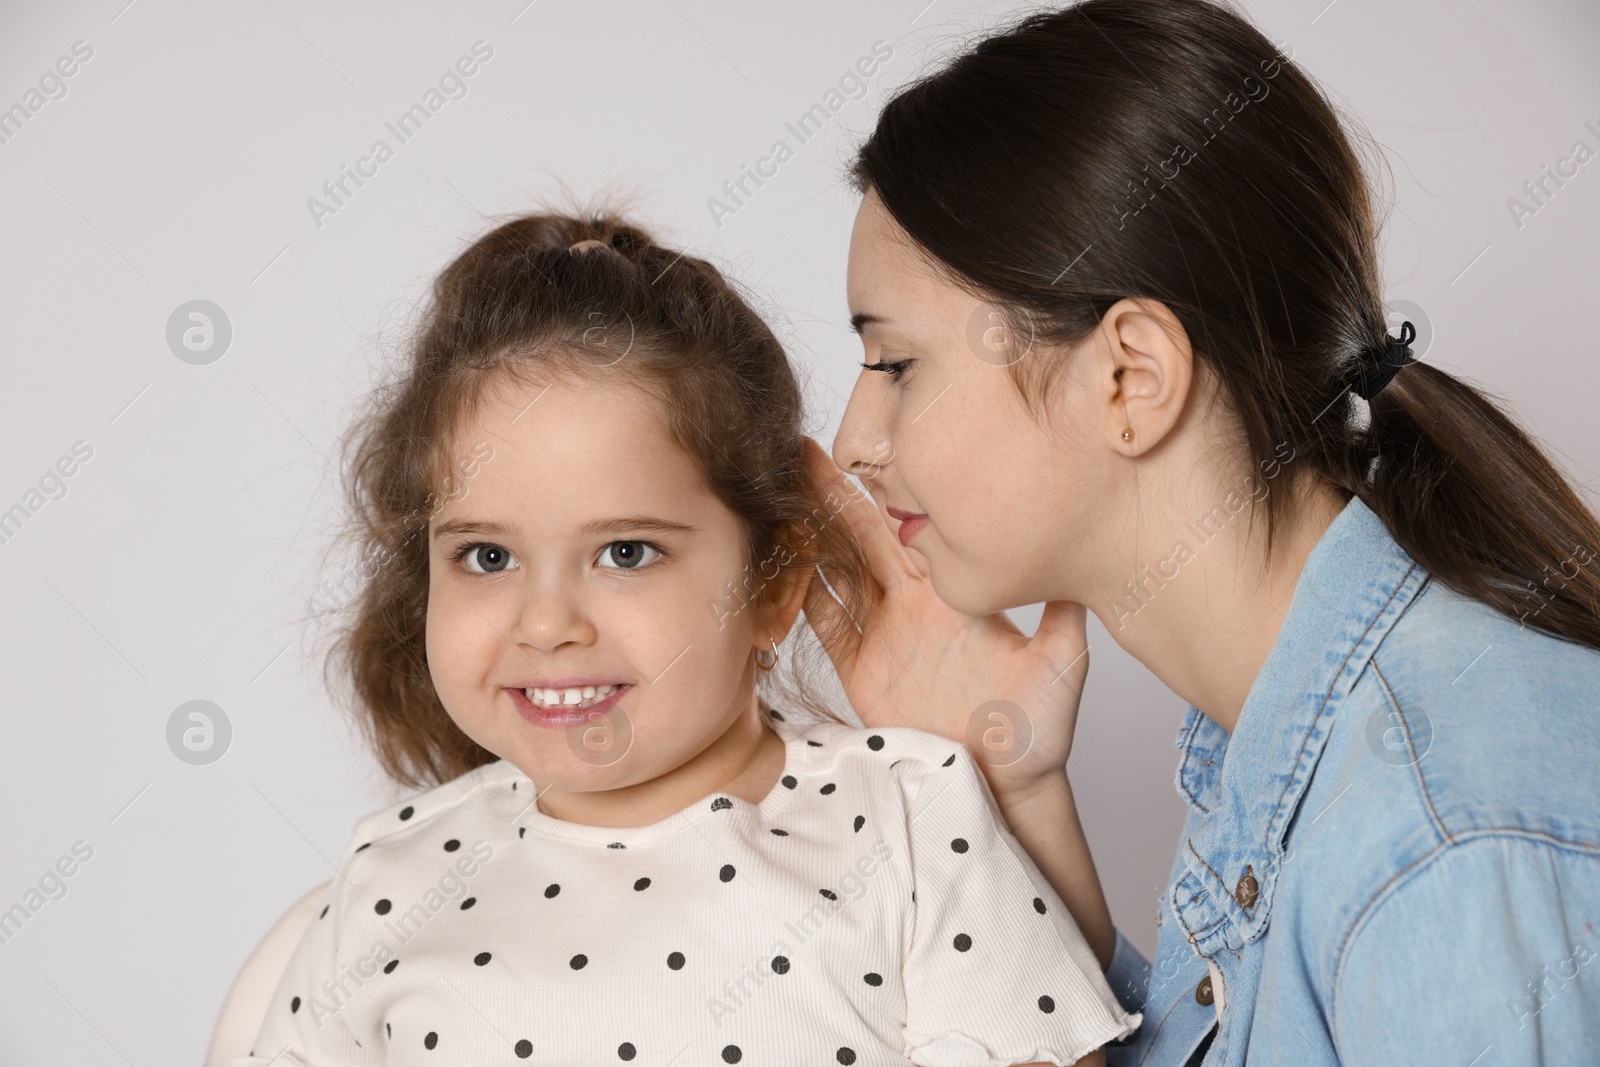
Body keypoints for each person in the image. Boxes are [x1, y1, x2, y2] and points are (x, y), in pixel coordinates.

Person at [801, 1, 1600, 1064]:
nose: (853, 438)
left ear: (1131, 374)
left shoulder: (1436, 844)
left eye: (895, 364)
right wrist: (1017, 796)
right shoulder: (1301, 746)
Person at [225, 210, 1139, 1066]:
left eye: (625, 552)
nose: (546, 623)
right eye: (487, 556)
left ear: (772, 586)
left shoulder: (907, 818)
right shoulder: (389, 882)